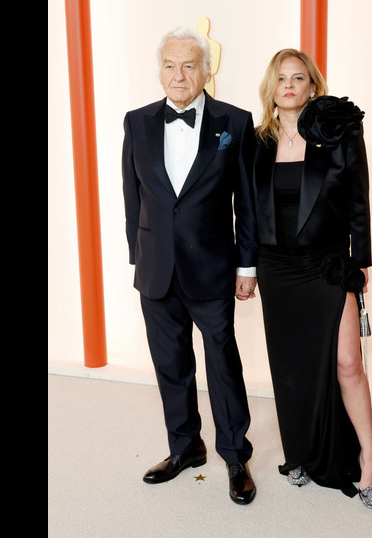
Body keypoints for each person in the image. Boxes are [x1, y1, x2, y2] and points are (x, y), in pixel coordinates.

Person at [121, 25, 259, 505]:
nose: (178, 75)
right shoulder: (136, 121)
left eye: (188, 65)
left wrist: (247, 268)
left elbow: (248, 203)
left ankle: (235, 456)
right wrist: (139, 259)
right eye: (169, 65)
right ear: (159, 71)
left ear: (206, 71)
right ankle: (185, 448)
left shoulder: (235, 122)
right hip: (156, 270)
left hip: (213, 268)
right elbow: (132, 197)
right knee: (170, 366)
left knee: (222, 365)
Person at [251, 48, 372, 511]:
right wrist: (246, 267)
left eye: (298, 77)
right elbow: (246, 210)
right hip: (277, 268)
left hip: (326, 263)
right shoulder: (258, 141)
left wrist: (360, 261)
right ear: (271, 87)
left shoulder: (339, 131)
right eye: (281, 78)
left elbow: (359, 200)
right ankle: (303, 454)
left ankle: (369, 460)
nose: (288, 85)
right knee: (293, 368)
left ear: (312, 85)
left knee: (348, 363)